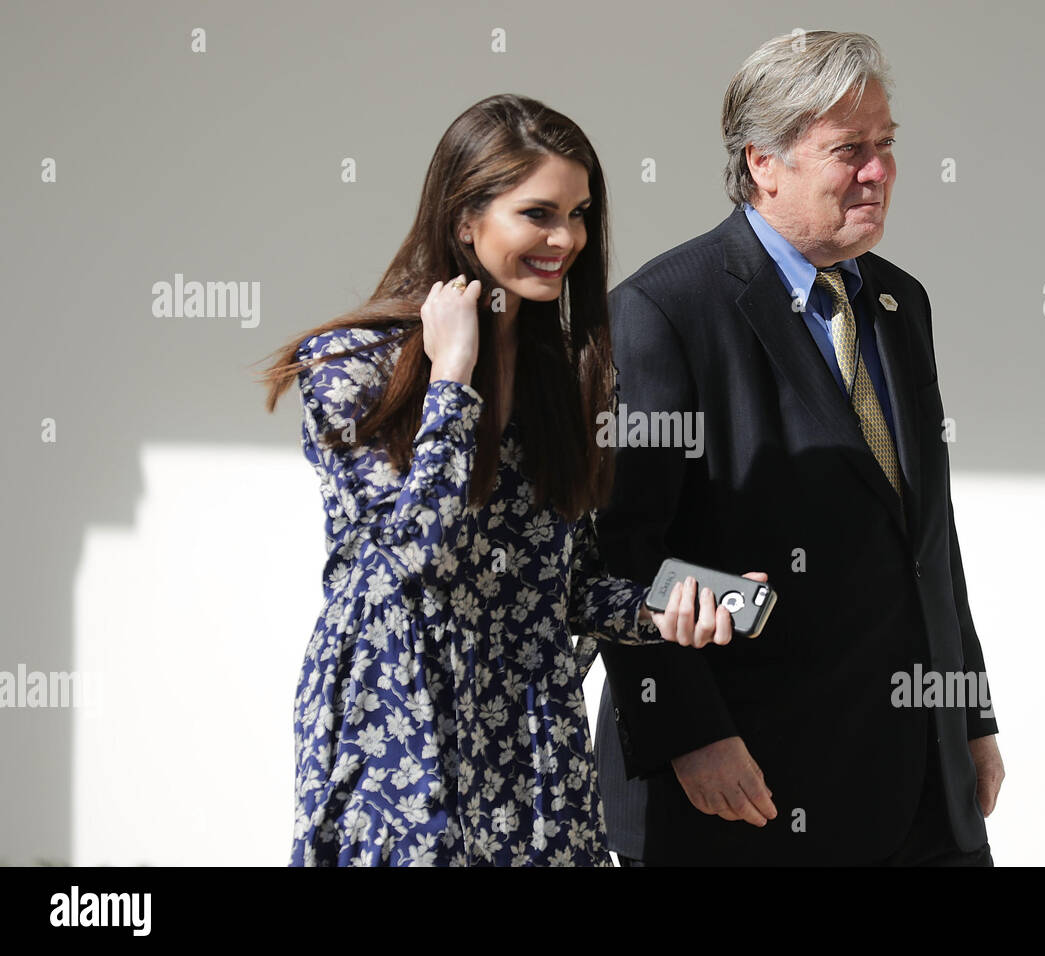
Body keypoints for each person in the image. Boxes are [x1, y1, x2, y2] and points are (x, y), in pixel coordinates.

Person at [259, 93, 762, 866]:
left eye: (580, 213)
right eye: (539, 213)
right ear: (466, 219)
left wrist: (669, 608)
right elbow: (401, 567)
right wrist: (452, 380)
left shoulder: (562, 377)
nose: (566, 239)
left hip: (531, 732)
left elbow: (563, 586)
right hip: (398, 727)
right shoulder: (350, 366)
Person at [594, 31, 1006, 866]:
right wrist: (691, 736)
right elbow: (620, 555)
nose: (880, 171)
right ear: (763, 163)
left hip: (919, 785)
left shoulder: (898, 301)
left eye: (886, 146)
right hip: (745, 792)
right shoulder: (664, 310)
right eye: (849, 149)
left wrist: (967, 714)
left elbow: (927, 537)